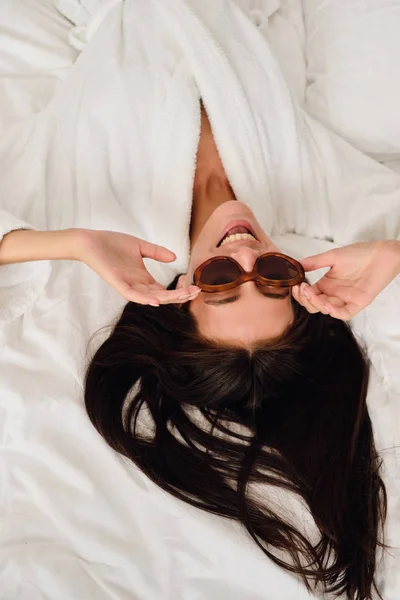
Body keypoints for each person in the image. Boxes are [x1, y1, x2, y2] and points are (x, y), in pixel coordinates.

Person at [1, 102, 399, 598]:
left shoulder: (101, 210)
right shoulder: (325, 202)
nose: (246, 254)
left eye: (222, 281)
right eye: (277, 278)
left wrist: (73, 241)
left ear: (184, 292)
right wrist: (393, 252)